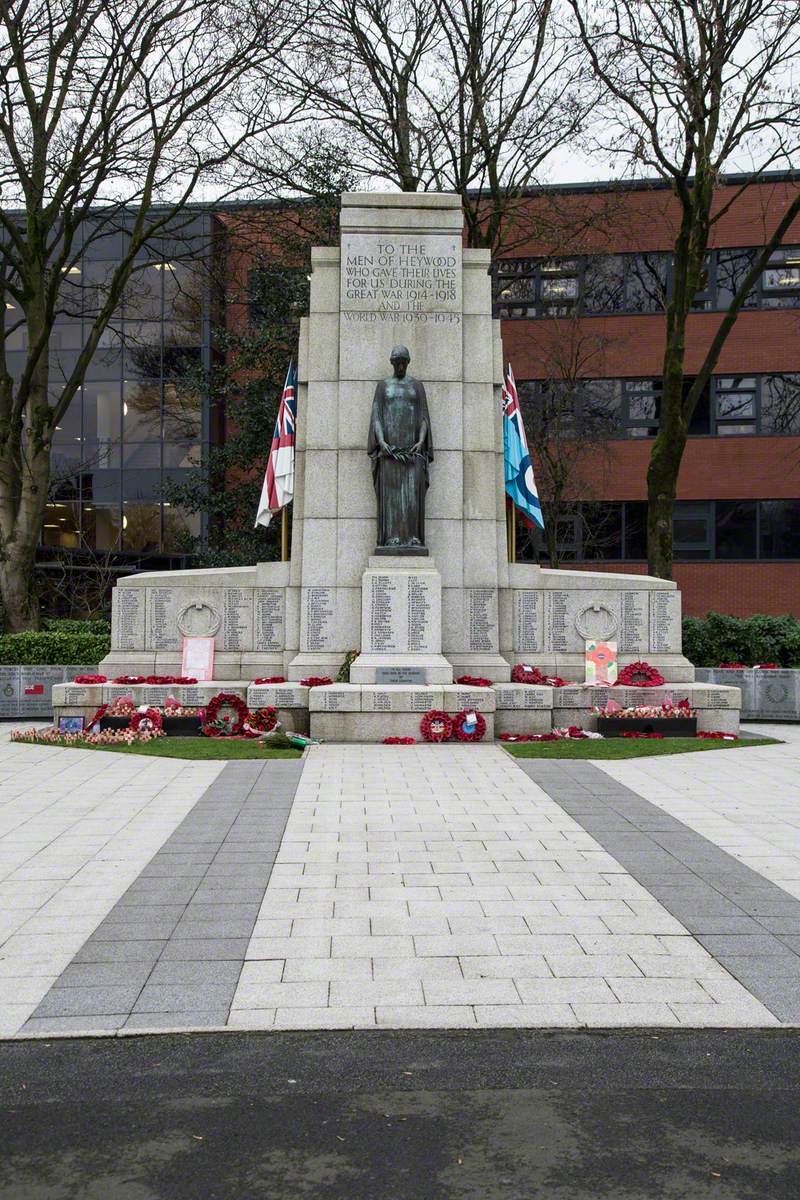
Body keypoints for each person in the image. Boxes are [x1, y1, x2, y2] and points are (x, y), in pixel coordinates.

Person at [367, 345, 433, 550]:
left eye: (404, 362)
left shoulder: (416, 386)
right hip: (389, 452)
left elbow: (423, 417)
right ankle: (392, 537)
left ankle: (413, 536)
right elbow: (377, 417)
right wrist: (382, 442)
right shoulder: (383, 386)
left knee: (412, 495)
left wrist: (421, 441)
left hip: (413, 452)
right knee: (393, 498)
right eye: (397, 362)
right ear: (392, 363)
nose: (401, 366)